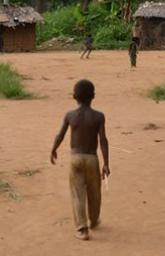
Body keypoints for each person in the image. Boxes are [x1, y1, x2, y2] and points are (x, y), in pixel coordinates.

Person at [50, 80, 110, 241]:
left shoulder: (70, 115)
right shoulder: (99, 116)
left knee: (77, 194)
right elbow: (103, 140)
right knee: (94, 192)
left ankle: (82, 229)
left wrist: (53, 149)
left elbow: (60, 135)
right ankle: (94, 220)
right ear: (93, 96)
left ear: (74, 96)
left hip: (75, 159)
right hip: (92, 158)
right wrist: (106, 163)